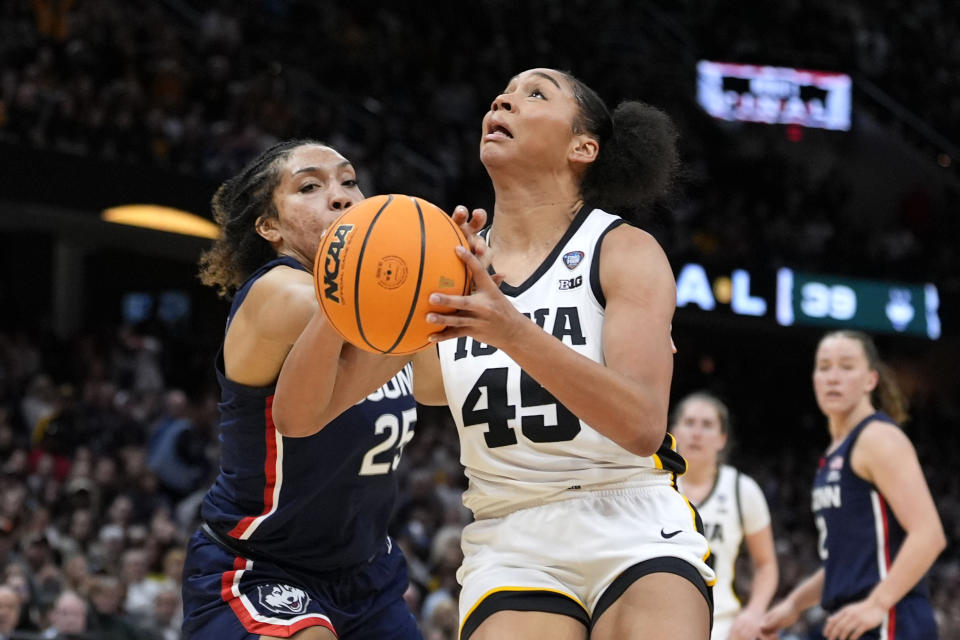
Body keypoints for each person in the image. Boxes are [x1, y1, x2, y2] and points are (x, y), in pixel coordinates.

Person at [275, 69, 716, 639]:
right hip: (512, 532)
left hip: (630, 512)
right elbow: (298, 415)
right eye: (504, 92)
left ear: (584, 147)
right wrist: (344, 285)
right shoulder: (446, 264)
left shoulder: (621, 249)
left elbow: (641, 425)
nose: (503, 98)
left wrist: (510, 329)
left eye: (536, 93)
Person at [181, 139, 485, 640]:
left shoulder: (385, 314)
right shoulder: (278, 293)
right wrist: (437, 286)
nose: (341, 196)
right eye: (309, 186)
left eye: (349, 181)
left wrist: (462, 283)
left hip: (366, 573)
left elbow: (434, 386)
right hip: (259, 564)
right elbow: (376, 324)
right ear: (269, 227)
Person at [761, 330, 946, 640]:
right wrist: (793, 605)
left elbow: (929, 534)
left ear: (870, 380)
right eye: (824, 367)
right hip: (851, 620)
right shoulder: (834, 453)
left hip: (891, 620)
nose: (833, 377)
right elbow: (846, 562)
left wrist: (877, 603)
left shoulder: (877, 437)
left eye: (846, 367)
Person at [670, 392, 778, 640]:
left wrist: (755, 612)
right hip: (661, 622)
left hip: (722, 625)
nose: (696, 433)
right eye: (689, 423)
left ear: (722, 439)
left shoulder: (742, 489)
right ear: (673, 431)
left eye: (707, 425)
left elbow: (766, 564)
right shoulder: (652, 486)